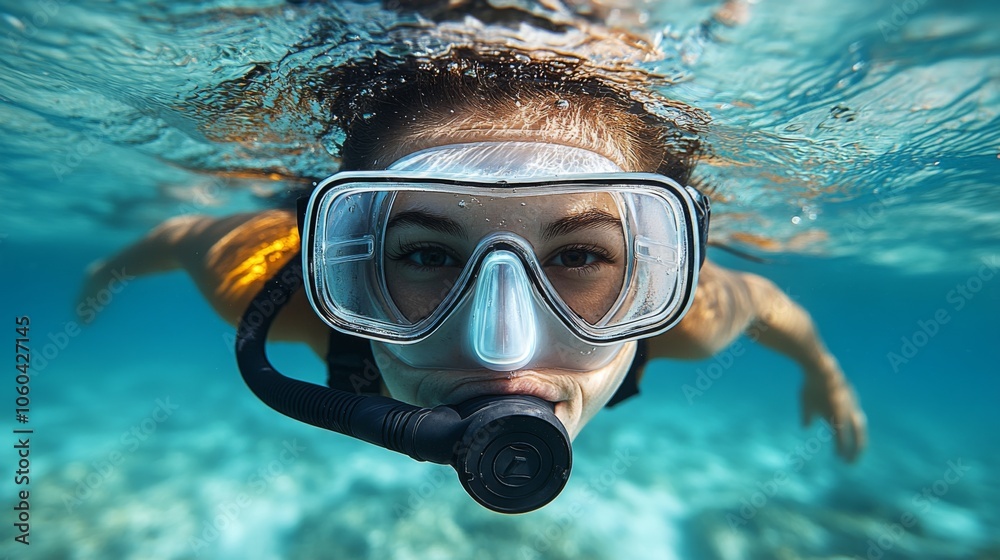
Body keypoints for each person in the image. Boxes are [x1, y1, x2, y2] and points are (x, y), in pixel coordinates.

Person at [77, 44, 866, 462]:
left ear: (659, 271)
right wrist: (106, 269)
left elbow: (764, 304)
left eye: (580, 258)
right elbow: (180, 237)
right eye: (425, 255)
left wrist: (824, 369)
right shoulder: (263, 289)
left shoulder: (686, 321)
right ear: (349, 268)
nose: (503, 350)